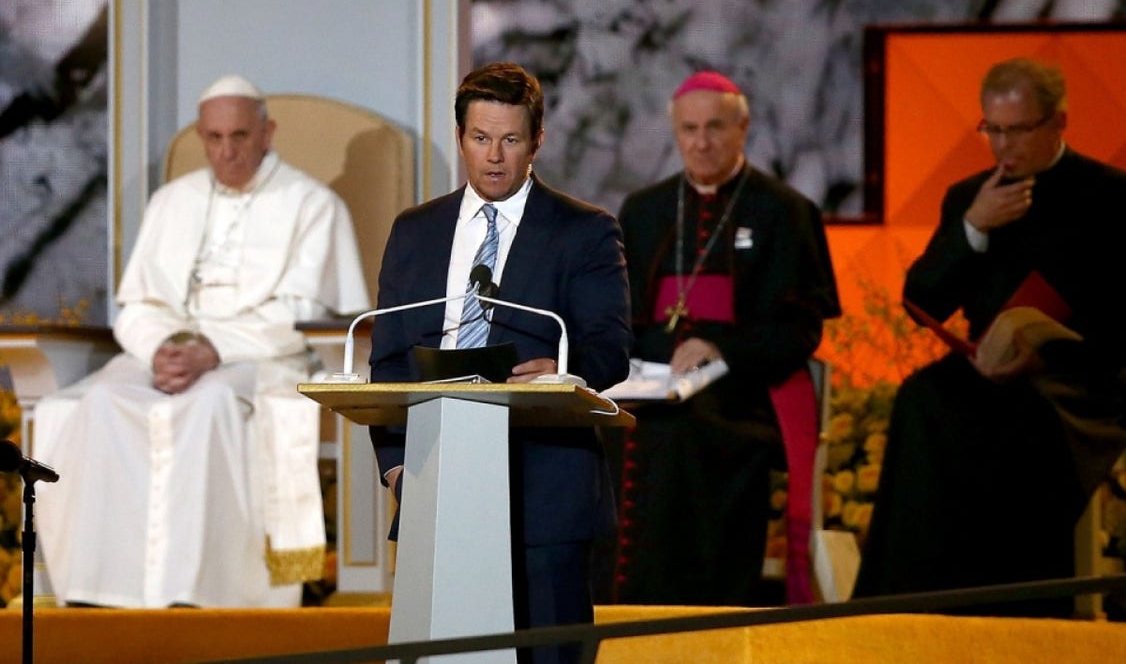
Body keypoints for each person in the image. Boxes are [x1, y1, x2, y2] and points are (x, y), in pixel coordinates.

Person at [32, 74, 370, 608]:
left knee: (209, 404)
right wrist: (161, 350)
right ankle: (102, 589)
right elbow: (139, 303)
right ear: (201, 137)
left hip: (259, 357)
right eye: (213, 138)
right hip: (163, 353)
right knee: (101, 403)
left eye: (239, 136)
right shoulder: (172, 201)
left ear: (267, 133)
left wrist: (213, 350)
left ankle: (203, 591)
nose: (227, 151)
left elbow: (305, 311)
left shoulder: (312, 205)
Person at [853, 58, 1126, 617]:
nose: (1002, 146)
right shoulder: (970, 195)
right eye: (992, 129)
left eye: (1018, 130)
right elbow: (922, 301)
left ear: (1057, 122)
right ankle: (904, 610)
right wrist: (975, 229)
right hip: (987, 369)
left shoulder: (1114, 194)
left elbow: (1125, 321)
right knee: (921, 398)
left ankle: (1015, 616)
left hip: (1079, 382)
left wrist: (1043, 352)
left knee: (1015, 426)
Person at [368, 62, 631, 663]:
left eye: (510, 140)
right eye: (480, 139)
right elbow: (388, 360)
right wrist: (396, 467)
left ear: (537, 140)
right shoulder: (415, 232)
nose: (494, 157)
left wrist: (564, 370)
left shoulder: (584, 232)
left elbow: (609, 346)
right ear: (460, 138)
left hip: (546, 489)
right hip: (437, 482)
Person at [613, 71, 840, 606]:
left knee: (688, 434)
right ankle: (615, 605)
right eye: (688, 130)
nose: (701, 142)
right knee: (605, 430)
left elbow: (801, 327)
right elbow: (619, 319)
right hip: (652, 385)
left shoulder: (785, 211)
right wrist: (661, 360)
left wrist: (721, 351)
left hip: (745, 392)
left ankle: (698, 605)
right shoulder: (643, 211)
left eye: (715, 127)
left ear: (743, 128)